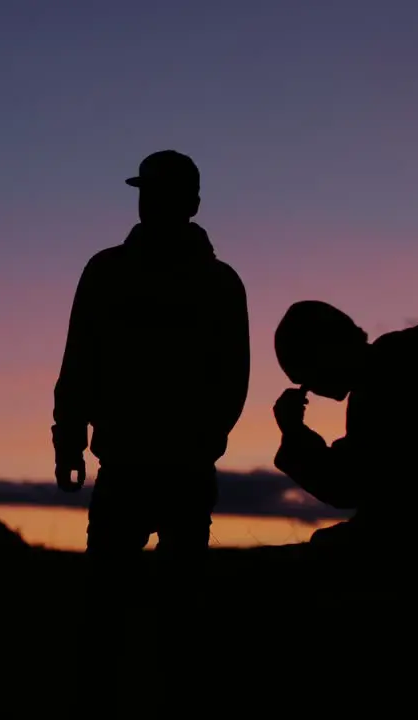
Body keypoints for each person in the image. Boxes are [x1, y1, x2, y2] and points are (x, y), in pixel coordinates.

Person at [51, 150, 249, 669]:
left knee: (141, 616)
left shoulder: (120, 272)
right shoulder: (209, 281)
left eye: (157, 192)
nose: (150, 202)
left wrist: (71, 441)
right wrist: (69, 441)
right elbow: (80, 364)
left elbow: (232, 379)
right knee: (128, 614)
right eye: (147, 192)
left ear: (191, 203)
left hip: (162, 467)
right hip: (148, 466)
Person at [270, 300, 418, 590]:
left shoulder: (385, 384)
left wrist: (294, 433)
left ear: (325, 351)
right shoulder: (398, 370)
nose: (309, 387)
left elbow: (346, 485)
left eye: (306, 374)